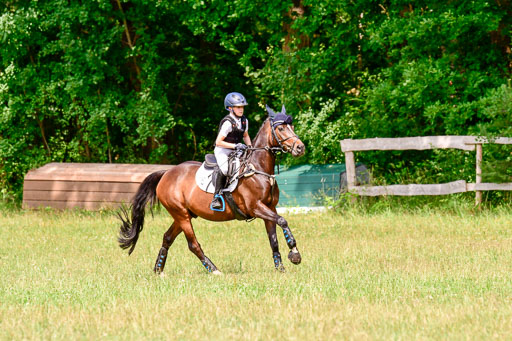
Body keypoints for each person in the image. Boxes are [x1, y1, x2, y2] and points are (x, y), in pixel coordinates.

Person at [211, 92, 252, 210]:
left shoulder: (244, 121)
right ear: (230, 108)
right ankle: (217, 196)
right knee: (224, 169)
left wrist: (250, 148)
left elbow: (245, 135)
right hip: (222, 150)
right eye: (238, 107)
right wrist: (235, 146)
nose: (241, 110)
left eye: (242, 107)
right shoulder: (228, 122)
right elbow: (218, 142)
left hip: (236, 149)